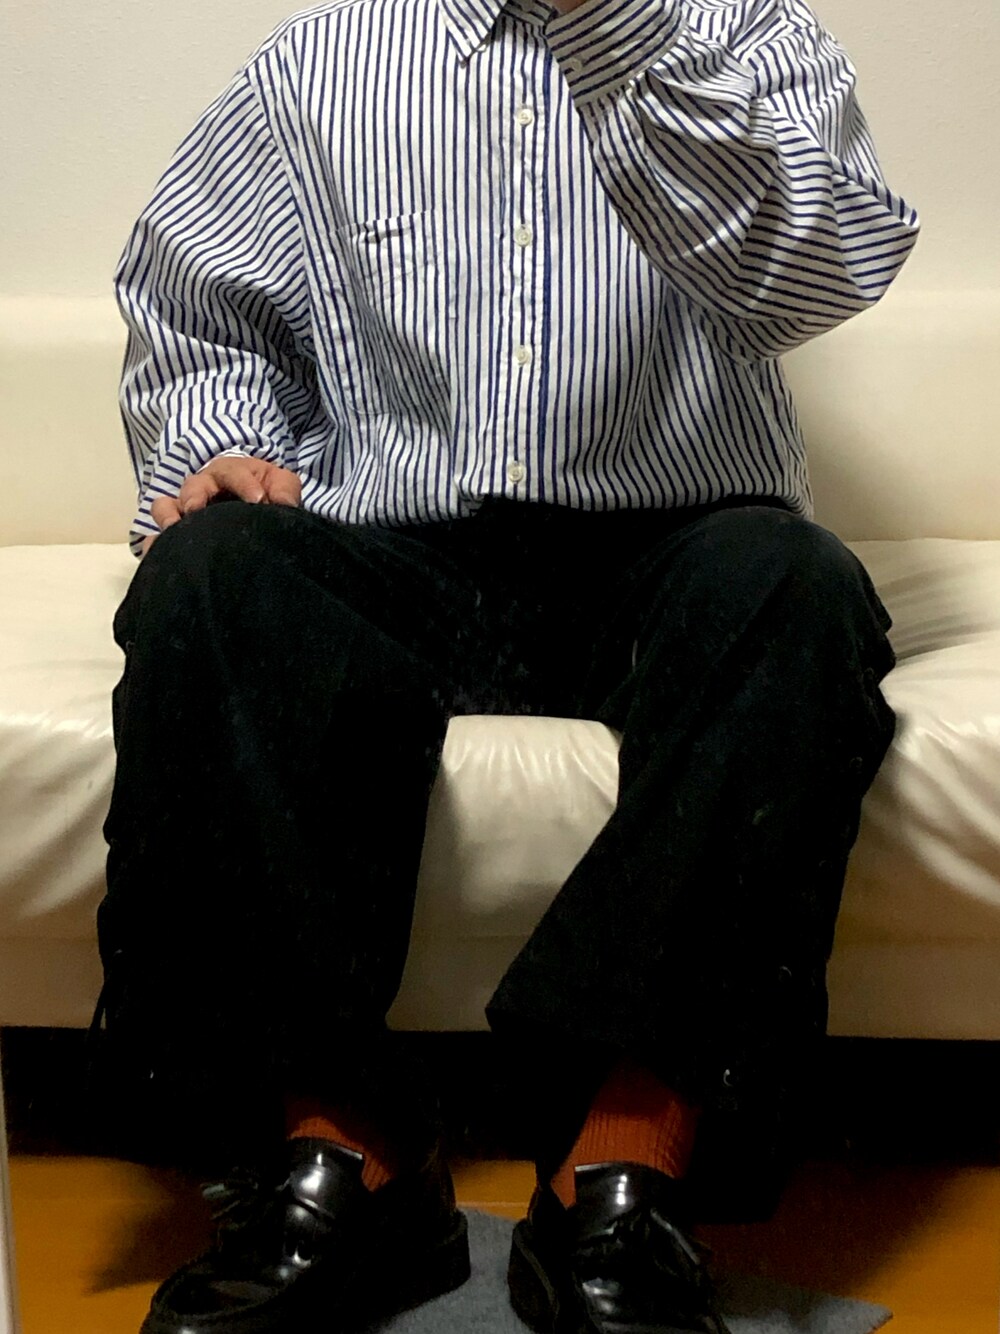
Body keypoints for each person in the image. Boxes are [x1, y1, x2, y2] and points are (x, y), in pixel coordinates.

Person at [96, 0, 918, 1329]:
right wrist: (224, 443)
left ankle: (623, 1161)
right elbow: (204, 312)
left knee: (799, 589)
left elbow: (816, 275)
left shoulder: (747, 31)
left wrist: (616, 32)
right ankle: (343, 1150)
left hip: (673, 540)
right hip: (395, 543)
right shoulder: (320, 63)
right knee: (209, 574)